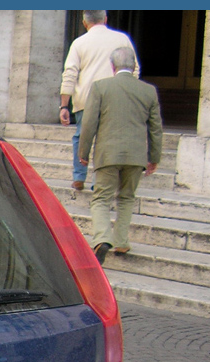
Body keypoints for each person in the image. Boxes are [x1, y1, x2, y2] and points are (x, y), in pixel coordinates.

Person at [78, 47, 162, 264]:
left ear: (112, 66)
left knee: (101, 198)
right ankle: (122, 241)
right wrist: (154, 157)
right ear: (134, 66)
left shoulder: (101, 87)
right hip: (135, 156)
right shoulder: (149, 91)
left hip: (108, 154)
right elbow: (155, 128)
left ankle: (102, 238)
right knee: (126, 198)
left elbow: (89, 124)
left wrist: (83, 152)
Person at [59, 11, 138, 191]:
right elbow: (135, 70)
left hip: (86, 99)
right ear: (106, 19)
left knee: (81, 136)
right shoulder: (122, 39)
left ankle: (79, 176)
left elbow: (70, 74)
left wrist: (64, 104)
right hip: (116, 99)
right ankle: (99, 180)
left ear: (84, 22)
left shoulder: (79, 43)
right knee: (107, 141)